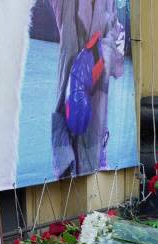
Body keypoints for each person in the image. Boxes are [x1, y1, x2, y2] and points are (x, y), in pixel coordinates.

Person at [49, 0, 126, 178]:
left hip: (96, 130)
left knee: (96, 184)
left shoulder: (109, 3)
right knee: (67, 188)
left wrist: (99, 53)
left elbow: (118, 61)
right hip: (68, 130)